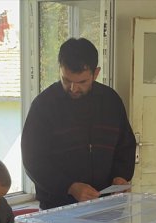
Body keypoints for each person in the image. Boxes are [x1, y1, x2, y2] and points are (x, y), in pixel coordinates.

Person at [21, 37, 136, 210]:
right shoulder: (44, 105)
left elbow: (125, 146)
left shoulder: (111, 101)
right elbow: (33, 160)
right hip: (58, 210)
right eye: (66, 80)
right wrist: (70, 187)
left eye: (82, 82)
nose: (73, 88)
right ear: (60, 69)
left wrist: (121, 177)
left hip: (107, 207)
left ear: (96, 73)